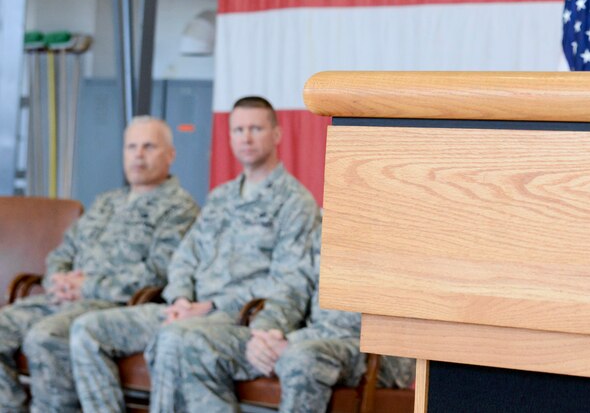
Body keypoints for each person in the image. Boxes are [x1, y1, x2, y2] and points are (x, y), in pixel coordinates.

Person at [69, 96, 319, 413]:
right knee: (88, 330)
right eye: (238, 129)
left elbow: (288, 282)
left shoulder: (295, 202)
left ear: (277, 135)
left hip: (239, 317)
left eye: (256, 128)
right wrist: (182, 299)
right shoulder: (221, 197)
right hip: (187, 309)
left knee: (174, 338)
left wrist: (210, 306)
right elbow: (184, 258)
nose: (246, 137)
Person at [0, 116, 198, 413]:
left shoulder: (180, 209)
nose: (138, 155)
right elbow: (63, 251)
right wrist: (59, 279)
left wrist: (86, 286)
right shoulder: (106, 202)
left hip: (109, 307)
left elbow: (158, 272)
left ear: (170, 155)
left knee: (46, 337)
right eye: (131, 147)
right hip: (60, 300)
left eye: (148, 147)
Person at [155, 218, 415, 410]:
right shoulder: (333, 222)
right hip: (305, 338)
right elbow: (292, 288)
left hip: (376, 351)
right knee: (194, 341)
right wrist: (267, 333)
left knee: (301, 357)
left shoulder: (411, 227)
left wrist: (290, 345)